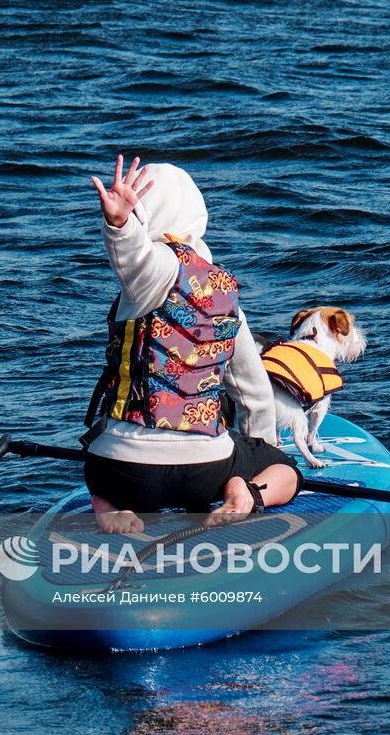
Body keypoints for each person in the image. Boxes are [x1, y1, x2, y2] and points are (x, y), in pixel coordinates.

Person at [83, 156, 302, 534]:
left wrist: (119, 226)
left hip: (124, 473)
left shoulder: (150, 274)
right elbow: (253, 393)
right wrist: (258, 454)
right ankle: (248, 493)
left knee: (94, 460)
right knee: (287, 471)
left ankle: (108, 508)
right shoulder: (224, 292)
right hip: (205, 470)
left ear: (145, 213)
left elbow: (136, 260)